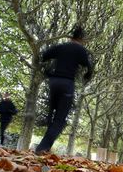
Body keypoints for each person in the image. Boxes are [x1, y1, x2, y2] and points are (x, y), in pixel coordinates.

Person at [35, 26, 93, 154]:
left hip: (54, 82)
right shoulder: (81, 50)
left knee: (51, 113)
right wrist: (86, 76)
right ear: (82, 39)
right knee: (60, 119)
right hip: (67, 84)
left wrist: (47, 71)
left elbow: (44, 55)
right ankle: (42, 148)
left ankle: (45, 145)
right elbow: (89, 67)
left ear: (71, 37)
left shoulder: (62, 46)